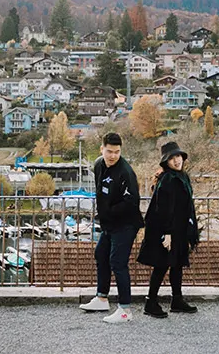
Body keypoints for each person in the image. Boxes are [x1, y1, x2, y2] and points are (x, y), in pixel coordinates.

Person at [79, 131, 143, 323]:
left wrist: (111, 212)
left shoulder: (126, 172)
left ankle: (125, 310)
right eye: (109, 151)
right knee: (101, 255)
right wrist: (104, 215)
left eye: (117, 152)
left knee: (118, 262)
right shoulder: (98, 164)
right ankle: (101, 298)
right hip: (109, 224)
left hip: (126, 224)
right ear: (102, 149)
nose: (113, 155)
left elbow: (132, 202)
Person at [137, 141, 199, 317]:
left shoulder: (181, 176)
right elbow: (163, 209)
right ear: (166, 161)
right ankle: (150, 302)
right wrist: (167, 233)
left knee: (177, 264)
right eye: (172, 158)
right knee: (162, 265)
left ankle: (177, 300)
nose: (177, 160)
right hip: (167, 230)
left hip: (179, 229)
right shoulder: (168, 179)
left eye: (178, 156)